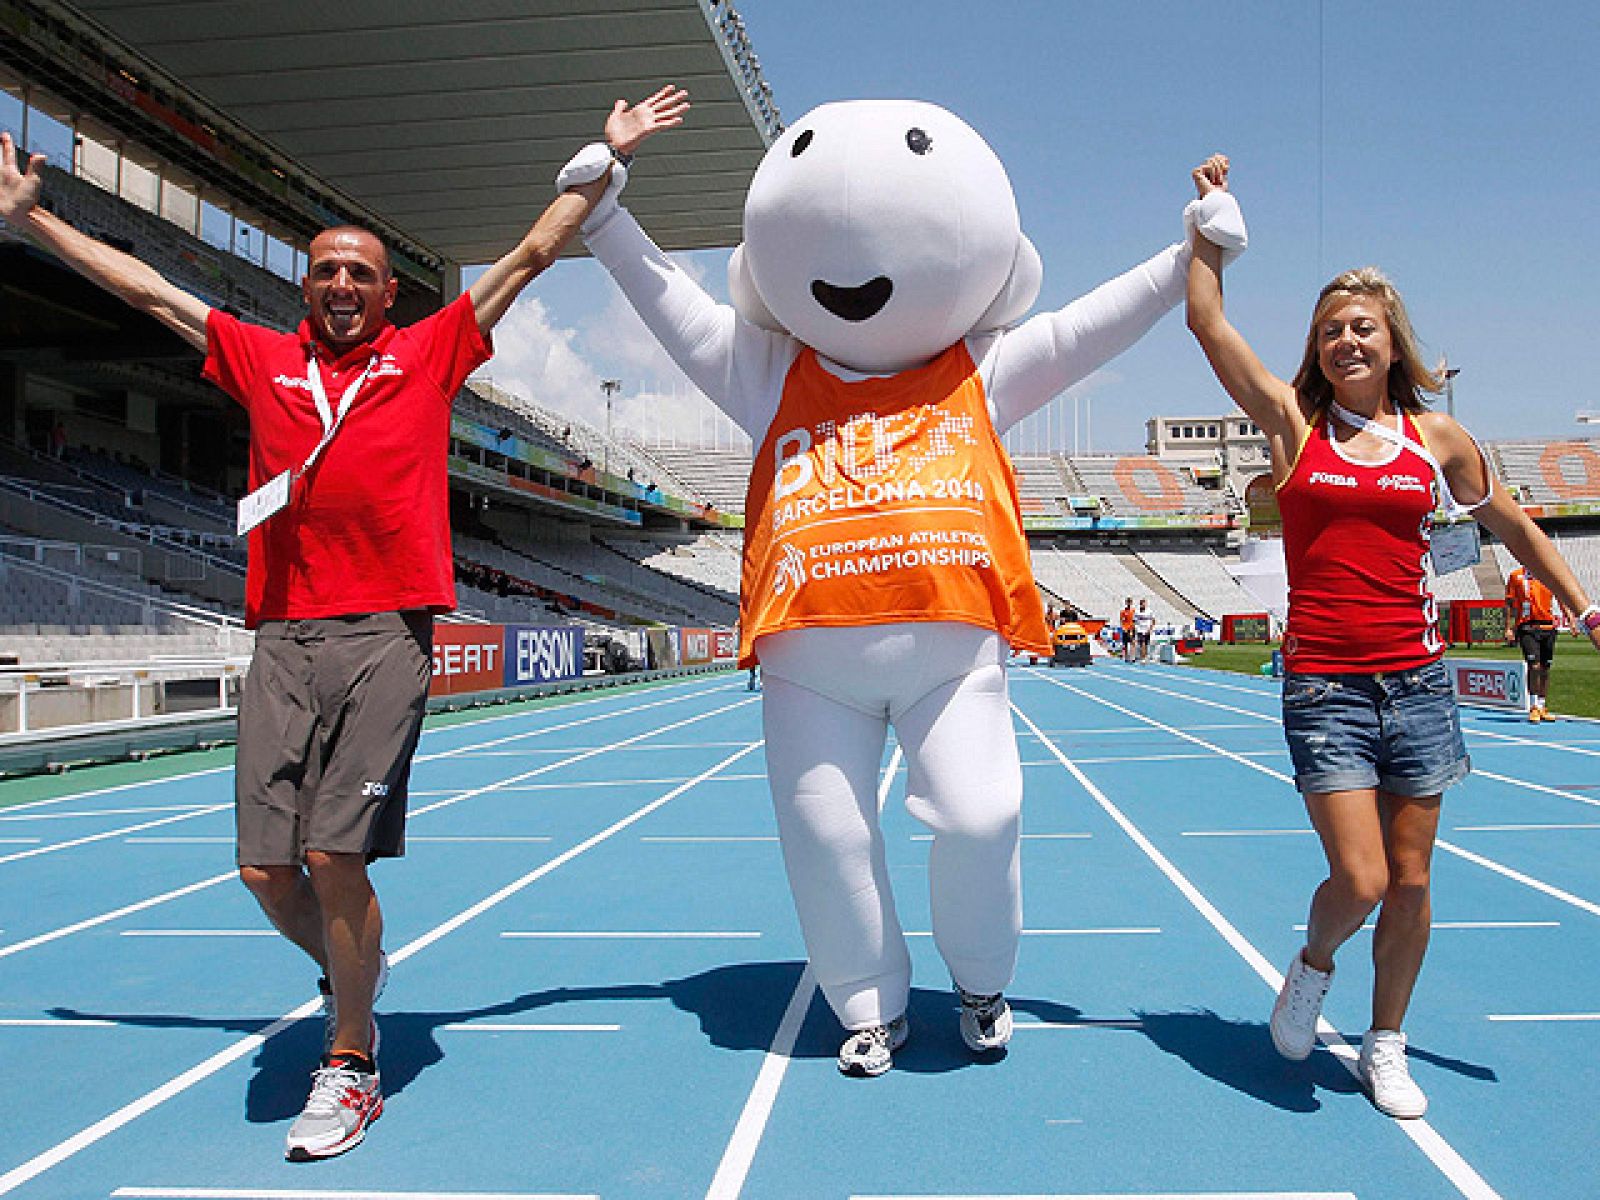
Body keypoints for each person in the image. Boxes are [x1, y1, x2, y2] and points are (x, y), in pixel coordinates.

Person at [0, 92, 685, 1161]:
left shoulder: (430, 353)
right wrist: (32, 219)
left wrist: (607, 156)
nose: (342, 284)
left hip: (383, 635)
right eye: (326, 270)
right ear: (306, 286)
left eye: (360, 272)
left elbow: (531, 253)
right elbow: (150, 290)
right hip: (282, 634)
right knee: (263, 869)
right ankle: (350, 968)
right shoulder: (260, 360)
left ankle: (352, 1060)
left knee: (331, 853)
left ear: (389, 292)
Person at [569, 91, 1246, 1075]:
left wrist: (1191, 250)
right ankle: (869, 1002)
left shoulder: (982, 366)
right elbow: (667, 300)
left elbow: (1087, 328)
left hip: (950, 650)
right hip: (807, 663)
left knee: (982, 816)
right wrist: (604, 211)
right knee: (826, 841)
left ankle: (981, 980)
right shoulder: (763, 370)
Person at [1185, 155, 1600, 1118]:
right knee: (1362, 876)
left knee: (1411, 881)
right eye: (1330, 330)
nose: (1346, 340)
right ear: (1317, 349)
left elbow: (1513, 529)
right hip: (1325, 688)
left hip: (1418, 685)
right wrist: (1208, 223)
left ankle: (1386, 1042)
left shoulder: (1436, 439)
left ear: (1392, 341)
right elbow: (1207, 321)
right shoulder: (1293, 425)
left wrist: (1584, 606)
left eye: (1362, 326)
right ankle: (1313, 963)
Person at [1504, 564, 1564, 721]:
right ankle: (1533, 706)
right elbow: (1509, 603)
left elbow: (1560, 596)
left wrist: (1569, 617)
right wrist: (1509, 627)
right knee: (1534, 666)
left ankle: (1542, 705)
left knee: (1545, 667)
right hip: (1527, 627)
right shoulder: (1516, 576)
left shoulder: (1547, 574)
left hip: (1548, 627)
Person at [1119, 597, 1137, 662]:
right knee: (1125, 644)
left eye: (1130, 602)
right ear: (1126, 603)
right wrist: (1123, 628)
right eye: (1128, 602)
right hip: (1125, 629)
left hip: (1132, 629)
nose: (1129, 603)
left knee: (1133, 643)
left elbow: (1135, 620)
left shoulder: (1134, 611)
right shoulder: (1123, 612)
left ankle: (1133, 657)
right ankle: (1126, 657)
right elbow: (1121, 621)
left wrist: (1133, 628)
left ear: (1131, 603)